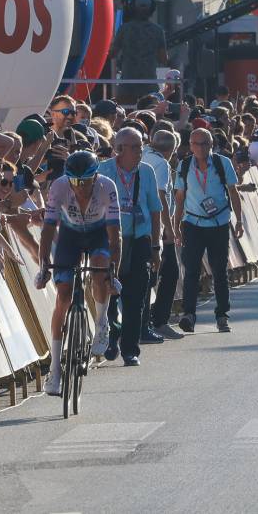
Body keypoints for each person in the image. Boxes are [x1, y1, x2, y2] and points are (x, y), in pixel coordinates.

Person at [35, 151, 121, 395]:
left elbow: (115, 235)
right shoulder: (59, 187)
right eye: (75, 181)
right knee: (63, 296)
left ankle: (102, 321)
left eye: (85, 181)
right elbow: (48, 228)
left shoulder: (107, 187)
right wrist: (44, 265)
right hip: (70, 237)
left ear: (95, 177)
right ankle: (54, 368)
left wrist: (113, 272)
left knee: (99, 272)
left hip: (99, 234)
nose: (80, 187)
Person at [98, 128, 163, 366]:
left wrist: (156, 246)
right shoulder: (103, 170)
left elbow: (155, 208)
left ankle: (130, 349)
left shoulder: (146, 171)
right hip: (110, 240)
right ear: (120, 149)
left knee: (137, 297)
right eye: (136, 147)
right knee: (110, 292)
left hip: (139, 240)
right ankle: (113, 333)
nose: (140, 151)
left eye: (142, 146)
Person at [174, 128, 243, 333]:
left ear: (211, 145)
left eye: (204, 143)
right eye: (195, 143)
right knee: (192, 271)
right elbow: (179, 197)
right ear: (190, 145)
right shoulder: (184, 166)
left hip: (218, 223)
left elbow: (233, 191)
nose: (199, 147)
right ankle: (189, 314)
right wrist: (176, 227)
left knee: (219, 271)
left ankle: (222, 315)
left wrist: (239, 220)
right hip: (193, 224)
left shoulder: (222, 163)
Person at [142, 130, 183, 339]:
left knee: (150, 275)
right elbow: (161, 197)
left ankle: (147, 322)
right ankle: (158, 321)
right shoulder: (162, 164)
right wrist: (169, 228)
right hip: (156, 227)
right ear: (170, 150)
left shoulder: (143, 156)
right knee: (169, 273)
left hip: (142, 225)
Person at [107, 0, 168, 100]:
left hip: (127, 87)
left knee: (124, 114)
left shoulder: (124, 29)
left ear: (132, 10)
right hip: (149, 87)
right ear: (151, 11)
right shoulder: (158, 30)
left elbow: (112, 55)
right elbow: (163, 59)